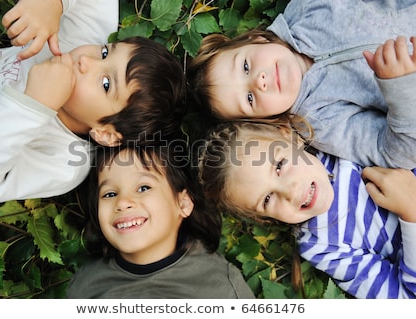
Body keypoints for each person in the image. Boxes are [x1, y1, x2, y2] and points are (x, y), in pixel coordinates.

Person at [0, 0, 186, 204]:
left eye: (106, 84)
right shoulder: (78, 43)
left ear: (106, 134)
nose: (86, 60)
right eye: (105, 52)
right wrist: (54, 4)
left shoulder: (64, 162)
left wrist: (34, 106)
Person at [198, 118, 416, 298]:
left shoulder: (338, 133)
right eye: (267, 199)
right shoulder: (321, 244)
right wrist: (411, 211)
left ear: (290, 136)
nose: (291, 192)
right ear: (263, 218)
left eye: (280, 165)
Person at [187, 0, 416, 169]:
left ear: (255, 40)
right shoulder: (321, 122)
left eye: (245, 66)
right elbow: (395, 153)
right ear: (265, 120)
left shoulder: (307, 8)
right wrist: (401, 88)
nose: (259, 81)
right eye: (249, 98)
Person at [66, 141, 255, 298]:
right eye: (110, 194)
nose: (122, 202)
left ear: (183, 204)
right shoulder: (85, 286)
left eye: (143, 188)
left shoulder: (224, 287)